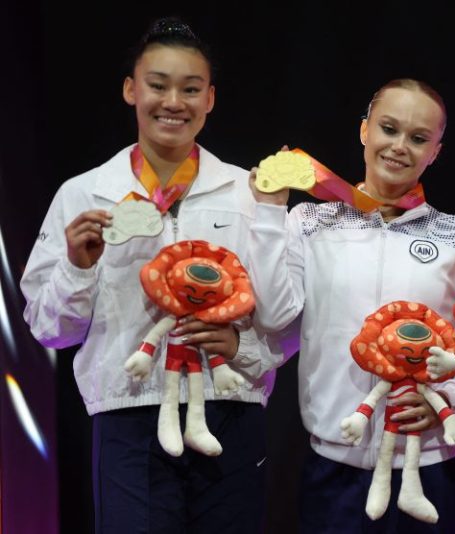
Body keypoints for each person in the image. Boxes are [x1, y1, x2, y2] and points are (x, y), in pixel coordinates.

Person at [20, 18, 282, 533]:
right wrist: (77, 266)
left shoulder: (248, 193)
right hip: (127, 416)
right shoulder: (85, 194)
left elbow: (286, 312)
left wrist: (243, 350)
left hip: (231, 410)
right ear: (130, 90)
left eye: (190, 89)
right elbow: (51, 330)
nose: (172, 102)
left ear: (210, 99)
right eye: (158, 85)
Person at [249, 78, 455, 533]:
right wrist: (268, 211)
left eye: (419, 139)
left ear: (436, 151)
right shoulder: (310, 220)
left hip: (431, 460)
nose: (400, 147)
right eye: (389, 129)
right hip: (335, 462)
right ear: (364, 130)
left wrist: (452, 401)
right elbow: (275, 317)